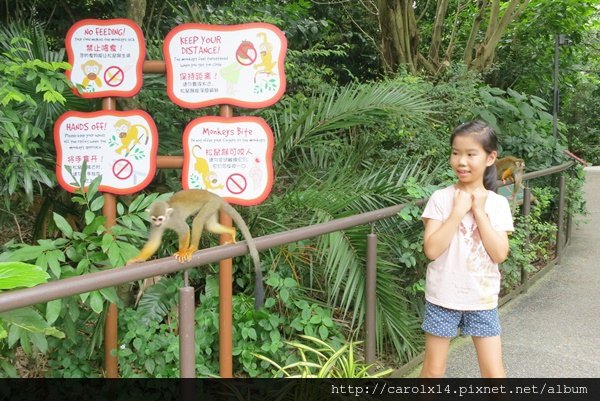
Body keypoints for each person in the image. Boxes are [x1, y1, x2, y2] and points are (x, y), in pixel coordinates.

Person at [419, 120, 514, 378]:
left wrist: (479, 213)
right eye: (455, 153)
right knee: (433, 371)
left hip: (481, 299)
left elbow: (499, 254)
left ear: (490, 157)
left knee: (493, 373)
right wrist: (458, 211)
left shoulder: (497, 204)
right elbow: (432, 250)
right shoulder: (441, 198)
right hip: (443, 297)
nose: (461, 161)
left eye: (471, 154)